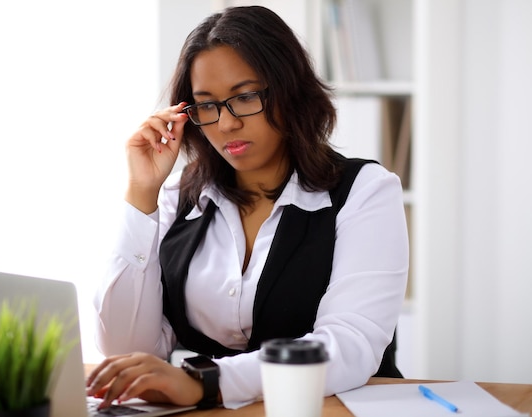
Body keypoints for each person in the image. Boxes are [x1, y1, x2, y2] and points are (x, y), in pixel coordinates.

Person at [86, 5, 408, 411]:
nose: (225, 124)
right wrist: (141, 194)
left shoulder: (364, 192)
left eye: (245, 97)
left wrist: (206, 382)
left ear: (290, 91)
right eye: (207, 105)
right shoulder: (178, 202)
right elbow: (126, 348)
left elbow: (350, 344)